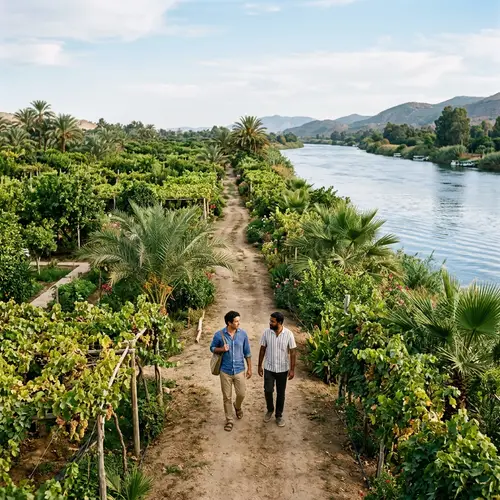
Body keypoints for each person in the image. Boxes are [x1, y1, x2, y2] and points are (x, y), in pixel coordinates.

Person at [210, 310, 252, 432]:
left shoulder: (243, 334)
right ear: (229, 323)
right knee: (226, 397)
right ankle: (229, 419)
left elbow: (247, 352)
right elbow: (212, 348)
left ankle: (237, 406)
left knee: (241, 394)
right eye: (236, 321)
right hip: (225, 370)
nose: (238, 323)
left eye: (239, 321)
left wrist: (250, 368)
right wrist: (221, 349)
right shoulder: (219, 335)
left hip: (239, 369)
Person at [258, 312, 296, 427]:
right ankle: (270, 409)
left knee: (281, 393)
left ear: (279, 322)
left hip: (282, 369)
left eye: (272, 321)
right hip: (269, 368)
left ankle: (278, 415)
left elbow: (293, 352)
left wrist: (292, 369)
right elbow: (262, 349)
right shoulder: (266, 333)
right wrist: (259, 365)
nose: (270, 323)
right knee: (268, 390)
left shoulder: (289, 334)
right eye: (270, 321)